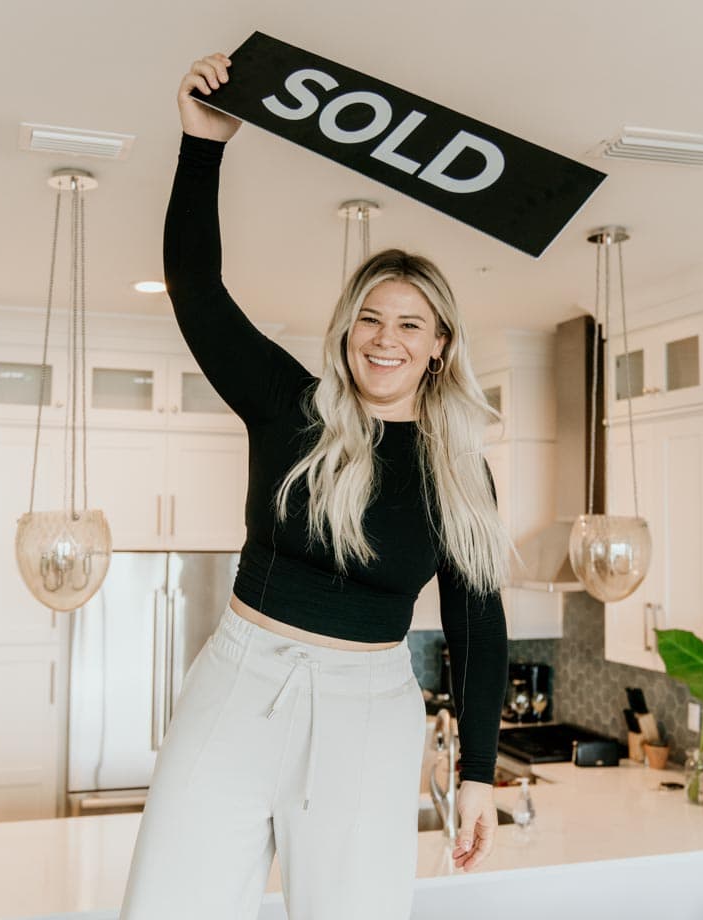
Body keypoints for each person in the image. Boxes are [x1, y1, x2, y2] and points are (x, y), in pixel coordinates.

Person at [118, 52, 511, 920]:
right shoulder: (288, 406)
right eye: (370, 317)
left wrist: (477, 773)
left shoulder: (459, 470)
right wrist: (203, 145)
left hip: (368, 711)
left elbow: (476, 625)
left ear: (439, 343)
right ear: (346, 329)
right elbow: (196, 287)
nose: (385, 339)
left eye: (410, 323)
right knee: (166, 907)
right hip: (239, 678)